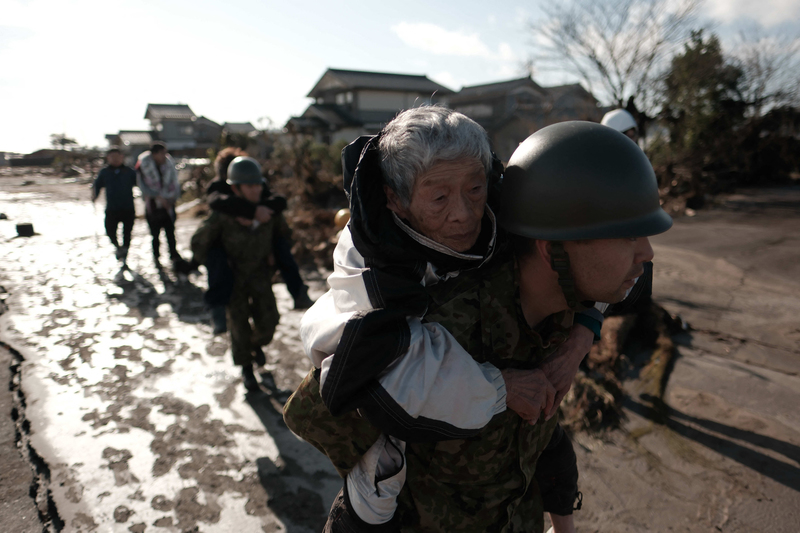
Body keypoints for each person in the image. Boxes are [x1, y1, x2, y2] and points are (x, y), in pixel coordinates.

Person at [285, 109, 640, 532]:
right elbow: (349, 384)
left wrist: (579, 339)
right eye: (439, 199)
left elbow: (589, 264)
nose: (463, 214)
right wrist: (500, 387)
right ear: (394, 199)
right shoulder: (371, 267)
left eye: (474, 189)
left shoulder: (503, 216)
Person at [199, 147, 314, 334]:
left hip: (258, 257)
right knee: (216, 258)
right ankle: (216, 308)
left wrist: (260, 211)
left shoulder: (256, 185)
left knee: (281, 247)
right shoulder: (219, 187)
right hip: (229, 255)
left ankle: (298, 291)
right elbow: (216, 201)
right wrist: (250, 211)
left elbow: (278, 201)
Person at [190, 156, 281, 391]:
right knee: (238, 326)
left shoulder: (267, 211)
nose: (256, 190)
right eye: (250, 186)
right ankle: (247, 369)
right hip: (234, 279)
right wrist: (216, 261)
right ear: (235, 188)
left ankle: (255, 345)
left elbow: (284, 235)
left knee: (269, 322)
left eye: (258, 185)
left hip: (260, 275)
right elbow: (198, 241)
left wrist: (276, 254)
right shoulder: (223, 213)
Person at [136, 142, 183, 269]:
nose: (164, 155)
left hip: (168, 204)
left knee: (170, 231)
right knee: (155, 234)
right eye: (162, 153)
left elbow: (175, 182)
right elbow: (142, 186)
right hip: (153, 205)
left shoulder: (169, 164)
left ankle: (173, 255)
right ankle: (156, 257)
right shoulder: (143, 165)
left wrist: (171, 198)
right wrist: (157, 196)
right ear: (154, 154)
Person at [92, 147, 137, 262]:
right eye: (112, 157)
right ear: (108, 158)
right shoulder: (105, 172)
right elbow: (97, 185)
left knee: (127, 233)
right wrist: (94, 196)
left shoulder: (129, 172)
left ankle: (125, 250)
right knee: (110, 230)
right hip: (112, 208)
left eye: (118, 157)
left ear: (122, 157)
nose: (115, 159)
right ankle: (117, 246)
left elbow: (141, 184)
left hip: (128, 207)